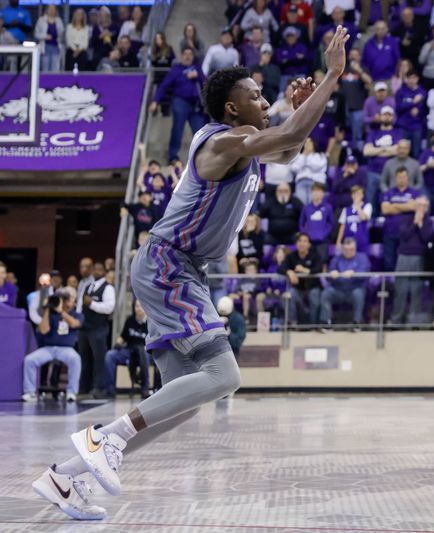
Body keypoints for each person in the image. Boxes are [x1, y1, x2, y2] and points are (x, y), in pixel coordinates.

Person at [31, 28, 350, 521]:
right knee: (224, 374)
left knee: (185, 399)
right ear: (231, 109)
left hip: (177, 269)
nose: (265, 101)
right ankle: (103, 439)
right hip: (169, 265)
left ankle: (65, 476)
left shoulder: (243, 142)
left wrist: (304, 108)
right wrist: (332, 76)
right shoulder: (220, 145)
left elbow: (287, 149)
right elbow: (286, 137)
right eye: (256, 96)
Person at [21, 288, 82, 403]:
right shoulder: (51, 313)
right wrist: (48, 309)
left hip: (66, 349)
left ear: (73, 302)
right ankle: (30, 392)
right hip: (48, 348)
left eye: (68, 299)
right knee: (29, 360)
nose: (65, 301)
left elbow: (75, 324)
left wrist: (61, 312)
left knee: (76, 359)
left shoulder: (77, 314)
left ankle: (71, 392)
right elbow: (43, 330)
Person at [150, 47, 207, 165]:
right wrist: (156, 101)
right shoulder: (176, 69)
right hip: (180, 102)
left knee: (200, 132)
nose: (187, 56)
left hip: (196, 105)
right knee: (177, 129)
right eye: (185, 54)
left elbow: (206, 83)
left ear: (193, 56)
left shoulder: (197, 68)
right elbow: (164, 85)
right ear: (181, 56)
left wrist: (198, 76)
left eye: (190, 54)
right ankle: (173, 157)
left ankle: (202, 157)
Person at [391, 196, 434, 325]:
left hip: (419, 257)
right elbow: (403, 236)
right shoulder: (406, 218)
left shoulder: (428, 221)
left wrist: (420, 225)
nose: (422, 208)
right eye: (419, 205)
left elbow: (427, 239)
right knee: (400, 291)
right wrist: (414, 223)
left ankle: (413, 322)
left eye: (424, 206)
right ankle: (396, 322)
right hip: (404, 256)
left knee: (417, 291)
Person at [77, 261, 115, 397]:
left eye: (100, 269)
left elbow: (109, 308)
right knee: (84, 359)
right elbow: (80, 306)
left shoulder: (108, 288)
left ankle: (99, 388)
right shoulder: (88, 286)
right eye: (95, 269)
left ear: (104, 272)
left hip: (98, 328)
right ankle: (83, 388)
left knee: (98, 359)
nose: (97, 271)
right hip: (84, 328)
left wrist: (92, 304)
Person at [321, 237, 371, 330]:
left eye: (351, 249)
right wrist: (331, 274)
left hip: (354, 289)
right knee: (326, 293)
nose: (348, 252)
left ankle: (357, 322)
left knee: (358, 294)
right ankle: (326, 322)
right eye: (346, 250)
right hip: (338, 289)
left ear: (355, 249)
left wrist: (354, 274)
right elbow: (329, 274)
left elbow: (365, 274)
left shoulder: (362, 257)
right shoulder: (337, 258)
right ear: (342, 249)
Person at [104, 301, 149, 398]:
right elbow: (122, 337)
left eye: (141, 306)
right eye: (136, 306)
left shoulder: (150, 323)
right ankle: (110, 389)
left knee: (143, 354)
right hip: (130, 350)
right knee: (110, 355)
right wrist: (117, 344)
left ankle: (145, 387)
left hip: (145, 351)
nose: (139, 308)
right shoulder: (130, 320)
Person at [381, 167, 420, 271]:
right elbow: (385, 209)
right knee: (389, 262)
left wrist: (393, 205)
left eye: (404, 177)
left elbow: (415, 207)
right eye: (399, 177)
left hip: (407, 233)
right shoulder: (388, 192)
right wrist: (406, 206)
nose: (401, 179)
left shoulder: (414, 193)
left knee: (404, 263)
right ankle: (390, 285)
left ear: (407, 178)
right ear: (396, 178)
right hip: (390, 231)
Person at [280, 232, 323, 325]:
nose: (302, 243)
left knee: (314, 297)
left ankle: (313, 324)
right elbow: (281, 268)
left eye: (305, 241)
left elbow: (318, 268)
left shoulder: (315, 255)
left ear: (309, 244)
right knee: (287, 296)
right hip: (298, 289)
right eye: (299, 241)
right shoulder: (292, 256)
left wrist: (305, 270)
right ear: (296, 244)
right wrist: (289, 272)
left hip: (313, 287)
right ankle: (293, 323)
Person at [299, 183, 336, 264]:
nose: (316, 193)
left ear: (323, 193)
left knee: (323, 262)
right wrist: (306, 236)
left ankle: (323, 276)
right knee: (308, 262)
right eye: (314, 191)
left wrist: (324, 234)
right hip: (309, 241)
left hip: (323, 241)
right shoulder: (306, 208)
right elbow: (301, 224)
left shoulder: (328, 207)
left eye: (318, 191)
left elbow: (332, 224)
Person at [395, 69, 427, 158]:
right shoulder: (401, 91)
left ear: (417, 79)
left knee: (416, 154)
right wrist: (413, 103)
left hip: (417, 127)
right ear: (406, 79)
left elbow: (425, 110)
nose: (412, 80)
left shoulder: (422, 92)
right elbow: (398, 107)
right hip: (403, 126)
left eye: (414, 78)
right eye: (409, 78)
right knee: (401, 153)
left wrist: (418, 109)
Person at [336, 184, 372, 253]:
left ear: (362, 195)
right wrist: (338, 241)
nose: (356, 196)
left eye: (359, 194)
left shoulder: (367, 206)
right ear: (352, 195)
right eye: (355, 194)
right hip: (348, 241)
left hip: (361, 241)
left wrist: (357, 206)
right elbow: (342, 226)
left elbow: (363, 217)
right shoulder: (346, 209)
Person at [35, 4, 64, 72]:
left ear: (56, 11)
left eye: (53, 9)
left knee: (55, 69)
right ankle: (45, 82)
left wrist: (60, 37)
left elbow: (62, 34)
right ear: (46, 10)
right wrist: (45, 36)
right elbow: (36, 34)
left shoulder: (59, 20)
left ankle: (55, 82)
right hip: (45, 48)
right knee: (45, 68)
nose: (51, 10)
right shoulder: (41, 20)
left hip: (56, 47)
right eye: (50, 9)